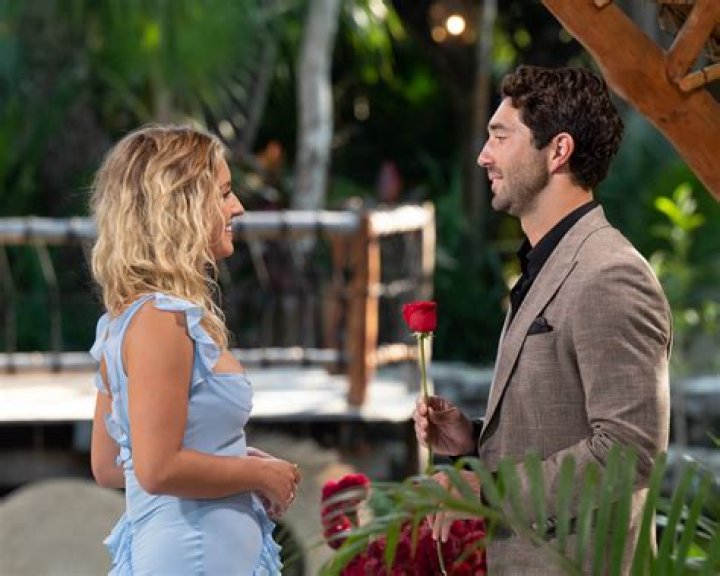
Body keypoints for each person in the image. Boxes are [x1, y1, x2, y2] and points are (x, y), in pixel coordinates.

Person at [413, 65, 671, 574]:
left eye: (500, 137)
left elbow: (630, 450)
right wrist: (474, 439)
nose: (483, 156)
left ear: (558, 151)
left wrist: (488, 489)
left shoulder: (610, 275)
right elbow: (564, 424)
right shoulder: (549, 261)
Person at [89, 125, 301, 575]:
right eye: (223, 193)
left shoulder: (128, 320)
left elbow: (111, 465)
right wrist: (259, 474)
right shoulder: (159, 320)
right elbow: (157, 469)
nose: (237, 207)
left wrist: (235, 461)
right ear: (178, 206)